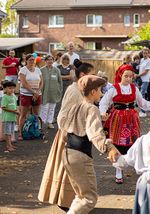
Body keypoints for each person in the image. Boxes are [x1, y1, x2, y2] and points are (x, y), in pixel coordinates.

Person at [38, 60, 95, 211]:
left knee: (76, 170)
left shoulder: (82, 90)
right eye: (92, 74)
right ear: (83, 75)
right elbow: (63, 115)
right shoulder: (73, 90)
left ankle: (75, 201)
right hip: (69, 135)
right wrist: (67, 133)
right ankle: (66, 200)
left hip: (77, 134)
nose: (94, 77)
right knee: (66, 169)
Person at [60, 75, 120, 214]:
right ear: (93, 92)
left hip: (68, 153)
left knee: (80, 196)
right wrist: (108, 148)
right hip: (80, 156)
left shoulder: (75, 106)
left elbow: (65, 128)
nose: (102, 93)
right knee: (89, 198)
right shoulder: (91, 109)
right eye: (100, 90)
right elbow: (95, 134)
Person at [100, 64, 150, 184]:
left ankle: (137, 166)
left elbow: (142, 103)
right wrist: (103, 112)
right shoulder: (113, 89)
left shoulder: (134, 89)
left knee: (133, 144)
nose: (129, 79)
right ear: (120, 75)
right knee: (118, 144)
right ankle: (118, 170)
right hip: (117, 119)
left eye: (131, 77)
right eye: (126, 76)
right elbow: (104, 103)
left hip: (131, 119)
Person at [18, 54, 43, 141]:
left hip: (37, 94)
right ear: (26, 61)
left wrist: (37, 92)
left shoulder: (38, 70)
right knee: (24, 114)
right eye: (30, 60)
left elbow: (41, 82)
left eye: (33, 60)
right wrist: (34, 92)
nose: (32, 61)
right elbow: (24, 83)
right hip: (26, 94)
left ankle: (35, 131)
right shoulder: (23, 70)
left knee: (36, 114)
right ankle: (20, 133)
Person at [40, 55, 63, 129]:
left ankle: (49, 122)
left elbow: (60, 81)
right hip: (45, 92)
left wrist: (59, 90)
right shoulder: (41, 70)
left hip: (54, 92)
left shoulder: (57, 70)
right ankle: (41, 123)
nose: (50, 61)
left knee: (52, 108)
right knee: (44, 108)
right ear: (45, 61)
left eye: (51, 60)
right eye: (48, 60)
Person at [1, 81, 18, 152]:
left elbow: (15, 106)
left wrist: (16, 112)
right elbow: (3, 107)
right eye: (9, 88)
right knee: (7, 133)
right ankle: (8, 146)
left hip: (12, 117)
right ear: (5, 89)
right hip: (7, 118)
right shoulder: (5, 97)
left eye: (13, 88)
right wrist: (14, 111)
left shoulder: (14, 96)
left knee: (11, 132)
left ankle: (10, 145)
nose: (12, 90)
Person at [137, 48, 150, 117]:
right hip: (140, 79)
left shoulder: (149, 61)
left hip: (145, 80)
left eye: (146, 53)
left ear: (148, 54)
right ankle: (141, 110)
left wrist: (138, 75)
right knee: (140, 94)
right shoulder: (142, 60)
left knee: (142, 94)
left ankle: (143, 111)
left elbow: (146, 71)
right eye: (144, 53)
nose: (145, 54)